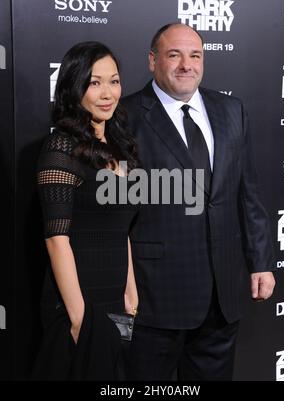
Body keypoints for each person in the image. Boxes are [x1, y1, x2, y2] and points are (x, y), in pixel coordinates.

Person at [122, 23, 276, 381]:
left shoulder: (231, 110)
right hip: (153, 299)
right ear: (152, 61)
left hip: (221, 297)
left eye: (195, 55)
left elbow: (247, 191)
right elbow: (115, 214)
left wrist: (261, 261)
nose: (186, 65)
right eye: (174, 54)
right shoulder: (124, 117)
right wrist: (124, 290)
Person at [33, 41, 139, 380]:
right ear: (73, 87)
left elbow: (120, 225)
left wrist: (130, 286)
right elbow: (56, 240)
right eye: (94, 83)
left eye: (114, 81)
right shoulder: (61, 147)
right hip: (77, 302)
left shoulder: (120, 145)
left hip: (115, 300)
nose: (107, 93)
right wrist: (79, 319)